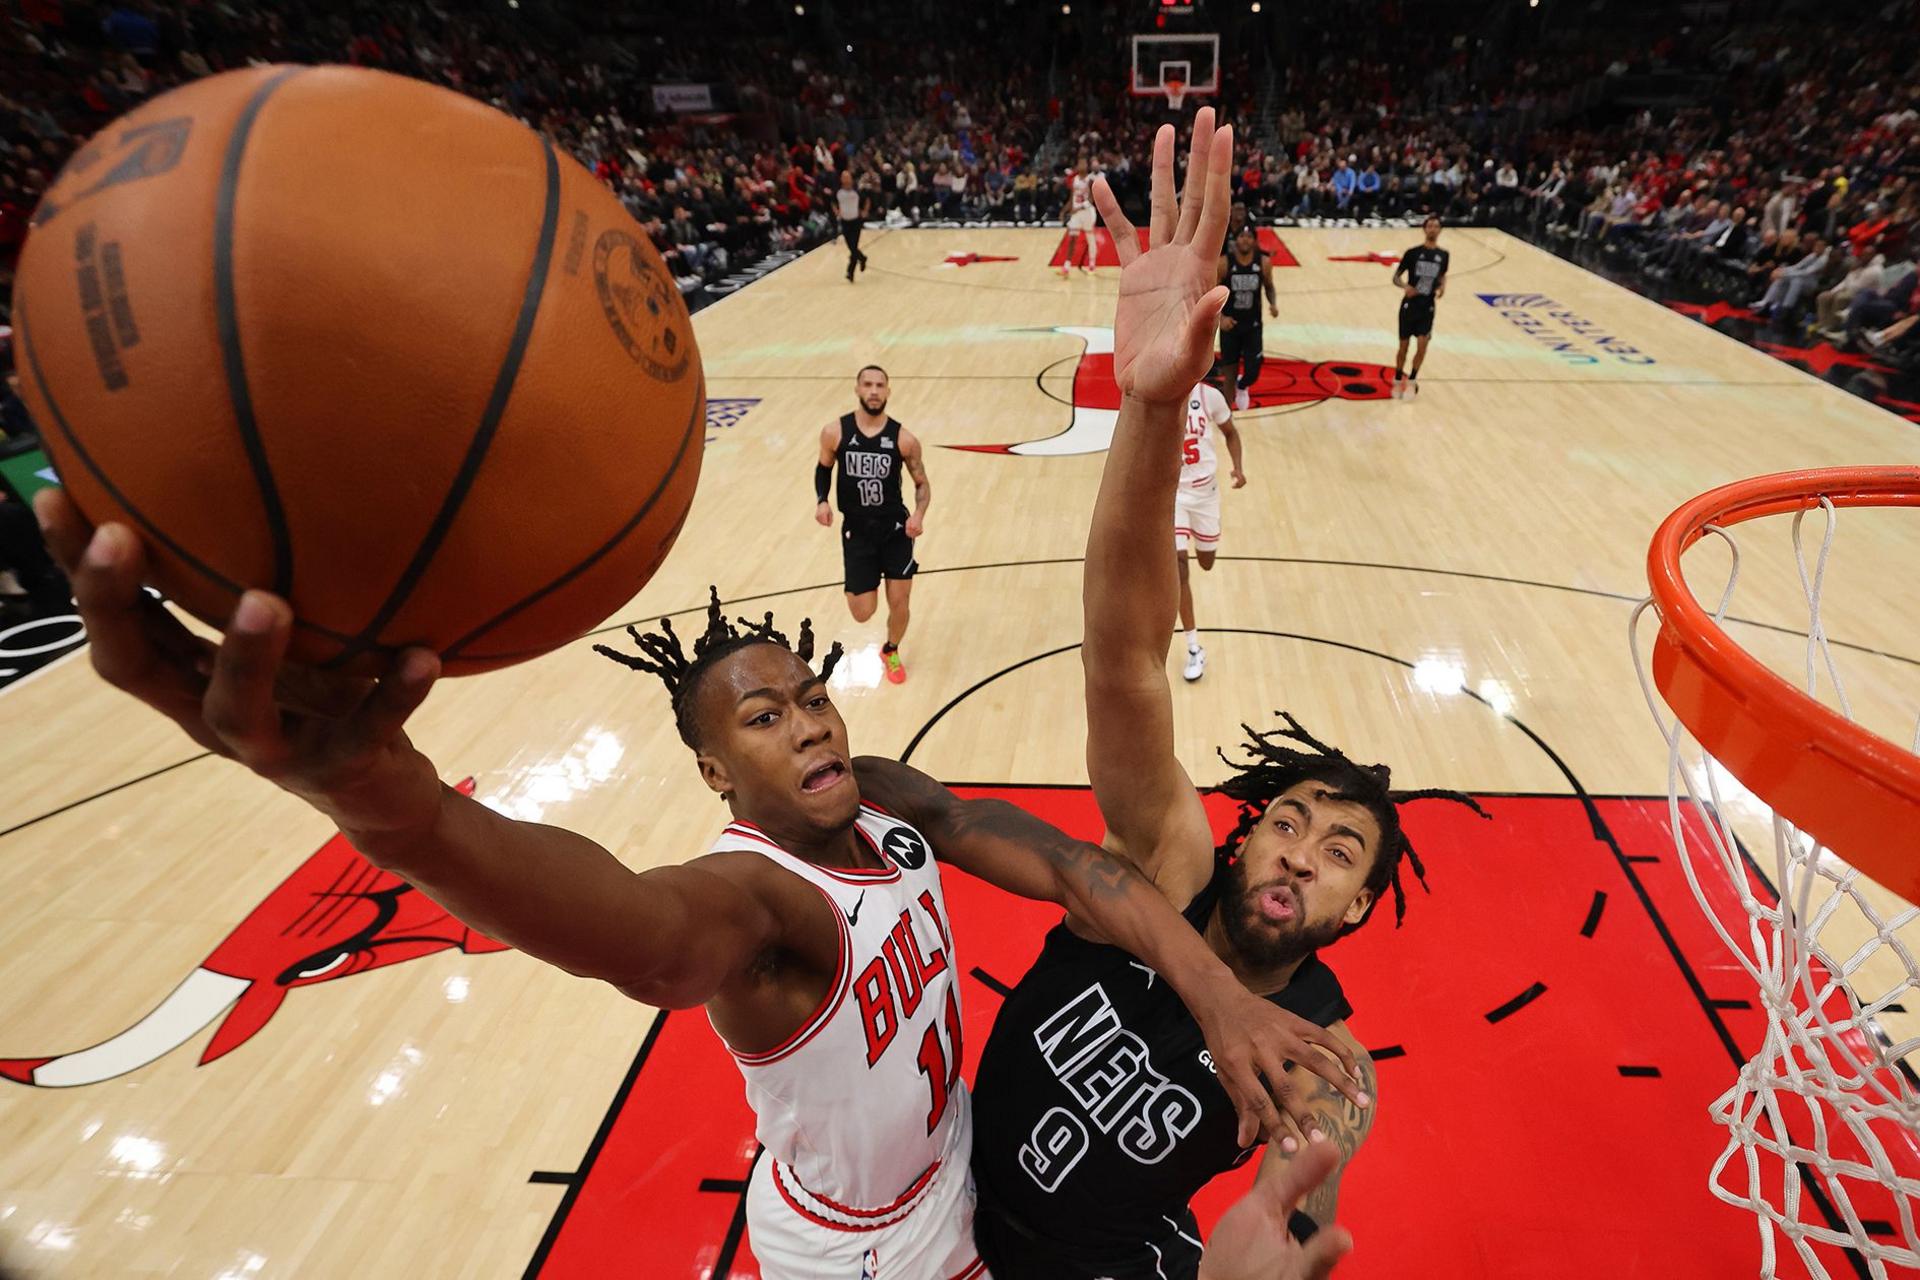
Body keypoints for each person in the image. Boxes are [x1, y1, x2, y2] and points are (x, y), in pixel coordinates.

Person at [35, 468, 1364, 1278]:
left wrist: (1220, 997)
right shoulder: (756, 903)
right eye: (763, 720)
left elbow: (1081, 869)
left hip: (943, 1166)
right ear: (717, 774)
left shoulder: (888, 802)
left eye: (806, 696)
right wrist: (400, 811)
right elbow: (641, 933)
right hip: (865, 1248)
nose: (808, 724)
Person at [968, 115, 1481, 1278]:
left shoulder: (1326, 1063)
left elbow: (1296, 1217)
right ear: (1244, 840)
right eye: (1290, 822)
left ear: (1356, 913)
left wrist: (1281, 1253)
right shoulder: (1163, 857)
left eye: (1341, 850)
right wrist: (1149, 409)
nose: (1301, 853)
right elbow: (1123, 662)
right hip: (946, 1208)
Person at [815, 365, 927, 684]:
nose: (874, 390)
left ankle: (890, 650)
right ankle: (865, 580)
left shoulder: (904, 439)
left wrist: (918, 515)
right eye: (868, 384)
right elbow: (823, 468)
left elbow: (922, 483)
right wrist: (822, 500)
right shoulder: (835, 432)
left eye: (880, 385)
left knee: (900, 601)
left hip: (895, 531)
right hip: (857, 532)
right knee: (862, 612)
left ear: (888, 392)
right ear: (858, 389)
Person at [1174, 368, 1245, 683]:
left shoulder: (1209, 396)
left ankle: (1204, 541)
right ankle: (1193, 647)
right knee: (1179, 566)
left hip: (1206, 496)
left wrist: (1238, 469)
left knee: (1206, 563)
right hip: (1174, 496)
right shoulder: (1163, 400)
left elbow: (1231, 432)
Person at [1216, 224, 1277, 411]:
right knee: (1229, 374)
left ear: (1254, 241)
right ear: (1236, 241)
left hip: (1253, 326)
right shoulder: (1225, 263)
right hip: (1230, 327)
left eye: (1249, 236)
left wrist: (1273, 303)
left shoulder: (1264, 262)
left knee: (1253, 370)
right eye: (1241, 236)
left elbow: (1269, 286)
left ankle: (1243, 386)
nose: (1245, 239)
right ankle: (1227, 413)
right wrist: (1221, 319)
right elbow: (1212, 293)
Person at [1390, 214, 1449, 397]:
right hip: (1410, 304)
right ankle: (1398, 378)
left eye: (1436, 226)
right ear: (1424, 229)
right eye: (1429, 225)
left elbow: (1441, 276)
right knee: (1404, 346)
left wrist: (1442, 287)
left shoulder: (1443, 255)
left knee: (1423, 345)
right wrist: (1406, 286)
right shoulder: (1412, 253)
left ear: (1439, 230)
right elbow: (1396, 277)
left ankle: (1413, 379)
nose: (1432, 229)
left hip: (1427, 306)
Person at [1061, 159, 1097, 276]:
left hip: (1087, 213)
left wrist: (1080, 207)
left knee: (1090, 239)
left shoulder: (1090, 180)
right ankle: (1066, 266)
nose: (1081, 165)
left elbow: (1092, 200)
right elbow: (1072, 199)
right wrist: (1064, 211)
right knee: (1072, 239)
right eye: (1080, 163)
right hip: (1076, 214)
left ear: (1087, 166)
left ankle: (1092, 263)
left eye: (1084, 163)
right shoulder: (1074, 180)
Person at [835, 170, 869, 282]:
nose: (845, 179)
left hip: (856, 222)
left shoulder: (857, 192)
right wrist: (836, 211)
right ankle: (862, 258)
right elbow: (832, 202)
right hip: (845, 222)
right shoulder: (838, 192)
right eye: (843, 177)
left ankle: (850, 272)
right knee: (851, 247)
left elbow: (867, 200)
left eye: (847, 177)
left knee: (854, 247)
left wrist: (864, 211)